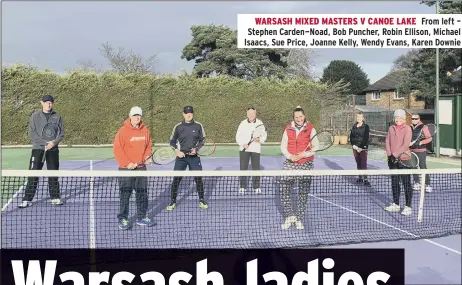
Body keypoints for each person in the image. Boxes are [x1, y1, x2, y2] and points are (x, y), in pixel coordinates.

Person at [19, 95, 64, 208]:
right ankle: (27, 199)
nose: (49, 104)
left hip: (53, 150)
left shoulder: (57, 116)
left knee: (53, 174)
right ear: (42, 103)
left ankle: (55, 197)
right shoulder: (35, 116)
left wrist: (53, 143)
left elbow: (61, 133)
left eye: (50, 102)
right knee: (33, 174)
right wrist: (45, 143)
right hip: (37, 149)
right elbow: (32, 133)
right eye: (46, 102)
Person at [113, 106, 154, 230]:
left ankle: (141, 217)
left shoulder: (145, 130)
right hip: (126, 169)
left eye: (139, 115)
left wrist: (147, 156)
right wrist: (127, 163)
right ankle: (123, 218)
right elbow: (117, 149)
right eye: (135, 115)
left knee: (142, 193)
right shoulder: (122, 131)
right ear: (130, 116)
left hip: (141, 168)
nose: (137, 117)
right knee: (125, 194)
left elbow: (148, 146)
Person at [279, 106, 319, 230]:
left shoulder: (311, 128)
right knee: (284, 190)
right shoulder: (288, 128)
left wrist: (304, 154)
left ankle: (298, 218)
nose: (299, 119)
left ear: (304, 116)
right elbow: (283, 146)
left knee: (303, 193)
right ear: (294, 118)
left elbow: (315, 146)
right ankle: (289, 216)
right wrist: (290, 156)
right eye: (296, 117)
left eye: (300, 116)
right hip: (290, 163)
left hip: (306, 163)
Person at [167, 106, 208, 211]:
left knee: (198, 179)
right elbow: (172, 141)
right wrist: (177, 151)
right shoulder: (178, 127)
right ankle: (172, 201)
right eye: (186, 113)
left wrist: (197, 149)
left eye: (190, 113)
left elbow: (203, 140)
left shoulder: (198, 126)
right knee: (176, 179)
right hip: (181, 157)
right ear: (183, 114)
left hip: (194, 157)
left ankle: (202, 200)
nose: (188, 115)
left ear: (193, 114)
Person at [384, 109, 413, 216]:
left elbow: (405, 145)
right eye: (396, 117)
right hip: (392, 160)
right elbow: (387, 141)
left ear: (404, 119)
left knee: (406, 183)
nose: (398, 120)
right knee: (395, 182)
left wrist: (394, 154)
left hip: (404, 159)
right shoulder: (391, 128)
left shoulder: (408, 129)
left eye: (400, 118)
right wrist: (389, 154)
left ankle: (408, 206)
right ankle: (396, 204)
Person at [235, 106, 267, 194]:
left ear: (255, 113)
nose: (251, 115)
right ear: (247, 114)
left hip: (256, 149)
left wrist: (259, 140)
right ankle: (242, 186)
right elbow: (237, 136)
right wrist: (242, 144)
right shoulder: (242, 123)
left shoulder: (260, 123)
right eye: (249, 113)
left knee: (256, 168)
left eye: (253, 113)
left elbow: (264, 135)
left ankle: (256, 187)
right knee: (243, 168)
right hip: (244, 149)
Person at [409, 114, 433, 192]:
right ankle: (417, 183)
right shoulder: (409, 127)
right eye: (413, 118)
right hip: (412, 151)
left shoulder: (424, 127)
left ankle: (428, 184)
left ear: (419, 119)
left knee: (423, 167)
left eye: (416, 119)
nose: (414, 120)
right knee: (413, 167)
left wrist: (421, 142)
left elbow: (429, 138)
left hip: (421, 151)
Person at [349, 112, 371, 186]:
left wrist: (361, 147)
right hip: (355, 148)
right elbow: (351, 137)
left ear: (363, 118)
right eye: (357, 117)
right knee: (358, 163)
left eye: (360, 117)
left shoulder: (366, 126)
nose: (359, 118)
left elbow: (366, 137)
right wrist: (353, 145)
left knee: (363, 163)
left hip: (363, 148)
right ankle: (360, 178)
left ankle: (365, 179)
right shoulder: (354, 126)